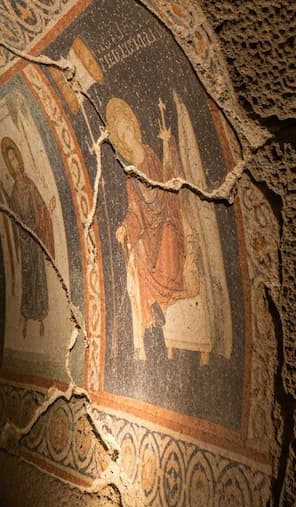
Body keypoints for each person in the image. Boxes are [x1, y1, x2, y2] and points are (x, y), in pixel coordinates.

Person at [107, 96, 193, 360]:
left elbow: (167, 184)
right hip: (145, 227)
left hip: (166, 217)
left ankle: (165, 303)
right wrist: (124, 227)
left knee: (168, 234)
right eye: (121, 133)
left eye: (128, 128)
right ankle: (152, 314)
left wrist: (167, 145)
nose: (127, 134)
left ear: (135, 128)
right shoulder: (130, 173)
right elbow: (135, 209)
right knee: (140, 256)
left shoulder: (150, 153)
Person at [0, 137, 53, 337]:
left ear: (20, 160)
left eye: (15, 159)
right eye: (10, 161)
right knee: (27, 277)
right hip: (25, 239)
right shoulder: (13, 190)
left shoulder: (29, 184)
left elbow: (40, 208)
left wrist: (47, 212)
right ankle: (27, 312)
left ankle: (40, 314)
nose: (14, 163)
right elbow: (14, 214)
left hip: (35, 237)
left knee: (38, 277)